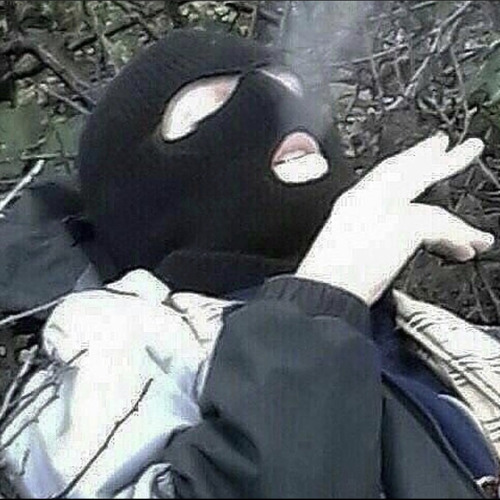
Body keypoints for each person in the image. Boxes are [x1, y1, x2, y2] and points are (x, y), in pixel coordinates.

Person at [0, 29, 498, 499]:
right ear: (138, 190)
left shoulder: (443, 340)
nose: (278, 104)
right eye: (212, 105)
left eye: (289, 89)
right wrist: (323, 299)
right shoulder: (103, 344)